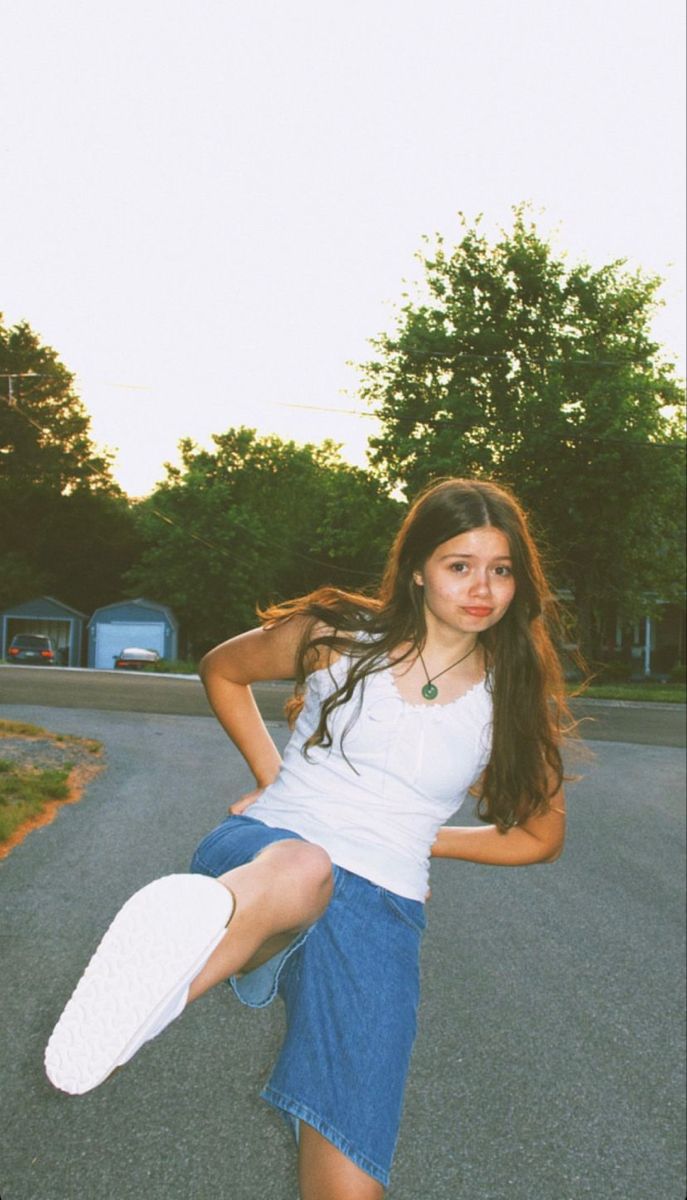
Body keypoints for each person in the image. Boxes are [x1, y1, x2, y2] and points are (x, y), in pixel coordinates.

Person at [45, 477, 570, 1200]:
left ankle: (145, 1000)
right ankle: (134, 1011)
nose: (482, 587)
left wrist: (425, 841)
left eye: (500, 568)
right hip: (265, 854)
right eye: (460, 564)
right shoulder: (337, 638)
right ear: (417, 568)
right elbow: (223, 670)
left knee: (352, 1184)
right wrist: (269, 775)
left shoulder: (508, 693)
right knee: (303, 867)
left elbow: (537, 836)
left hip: (381, 908)